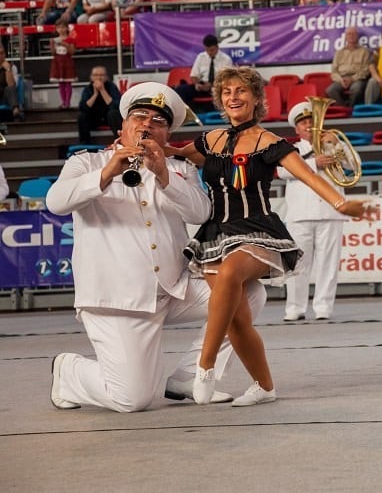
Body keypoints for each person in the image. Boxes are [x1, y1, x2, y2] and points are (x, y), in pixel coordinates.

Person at [46, 82, 266, 412]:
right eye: (140, 116)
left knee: (248, 292)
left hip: (174, 289)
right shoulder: (87, 163)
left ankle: (187, 378)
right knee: (132, 399)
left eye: (158, 121)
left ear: (167, 135)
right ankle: (69, 372)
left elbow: (201, 211)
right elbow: (56, 202)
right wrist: (107, 172)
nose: (148, 124)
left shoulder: (180, 169)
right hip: (118, 299)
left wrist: (163, 175)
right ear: (123, 125)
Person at [172, 67, 370, 406]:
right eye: (227, 92)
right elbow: (173, 154)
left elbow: (308, 175)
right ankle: (264, 387)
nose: (234, 97)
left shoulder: (271, 143)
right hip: (213, 233)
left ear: (256, 99)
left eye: (241, 91)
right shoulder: (211, 140)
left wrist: (340, 203)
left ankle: (203, 368)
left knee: (233, 272)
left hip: (257, 230)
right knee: (236, 319)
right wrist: (137, 143)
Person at [280, 101, 357, 322]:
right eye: (303, 123)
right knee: (297, 264)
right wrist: (315, 163)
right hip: (301, 213)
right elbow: (280, 171)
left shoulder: (333, 143)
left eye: (311, 121)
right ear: (297, 129)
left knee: (328, 263)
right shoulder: (291, 149)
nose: (308, 125)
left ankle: (323, 307)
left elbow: (354, 165)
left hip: (331, 211)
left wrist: (338, 144)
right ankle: (295, 307)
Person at [176, 34, 234, 106]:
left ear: (217, 47)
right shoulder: (201, 57)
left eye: (212, 50)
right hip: (202, 86)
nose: (209, 52)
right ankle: (186, 113)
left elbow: (227, 79)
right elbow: (194, 75)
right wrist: (197, 84)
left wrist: (212, 85)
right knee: (181, 89)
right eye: (207, 50)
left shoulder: (226, 59)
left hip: (217, 87)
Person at [326, 27, 370, 106]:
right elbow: (334, 72)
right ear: (345, 36)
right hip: (341, 79)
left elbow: (366, 70)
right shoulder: (339, 52)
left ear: (357, 36)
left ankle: (351, 108)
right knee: (330, 90)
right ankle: (344, 108)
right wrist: (341, 80)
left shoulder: (364, 52)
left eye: (354, 34)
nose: (351, 36)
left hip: (357, 79)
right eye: (349, 34)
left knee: (356, 89)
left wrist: (352, 79)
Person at [77, 66, 122, 142]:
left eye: (101, 75)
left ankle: (119, 141)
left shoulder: (112, 87)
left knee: (113, 113)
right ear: (91, 77)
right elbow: (83, 107)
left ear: (106, 77)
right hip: (94, 119)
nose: (99, 77)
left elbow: (117, 106)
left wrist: (102, 90)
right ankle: (85, 143)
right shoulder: (87, 89)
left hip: (108, 119)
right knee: (82, 116)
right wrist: (95, 94)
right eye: (96, 75)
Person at [50, 20, 77, 110]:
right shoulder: (54, 40)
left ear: (67, 28)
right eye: (59, 28)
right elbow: (53, 53)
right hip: (58, 62)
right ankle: (63, 102)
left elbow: (72, 52)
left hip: (67, 62)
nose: (61, 29)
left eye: (63, 27)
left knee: (68, 83)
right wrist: (52, 44)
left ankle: (68, 102)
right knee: (61, 83)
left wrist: (66, 45)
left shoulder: (71, 40)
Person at [0, 45, 22, 122]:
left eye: (2, 53)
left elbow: (12, 85)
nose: (0, 56)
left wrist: (8, 70)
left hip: (5, 97)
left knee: (10, 88)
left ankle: (15, 110)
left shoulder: (12, 67)